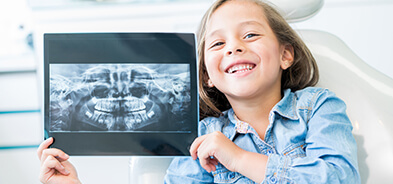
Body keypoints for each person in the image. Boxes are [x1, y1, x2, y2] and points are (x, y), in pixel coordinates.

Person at [37, 0, 360, 183]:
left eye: (250, 35)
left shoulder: (319, 107)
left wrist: (237, 158)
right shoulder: (201, 139)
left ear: (286, 54)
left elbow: (339, 178)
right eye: (218, 43)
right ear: (206, 75)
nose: (233, 47)